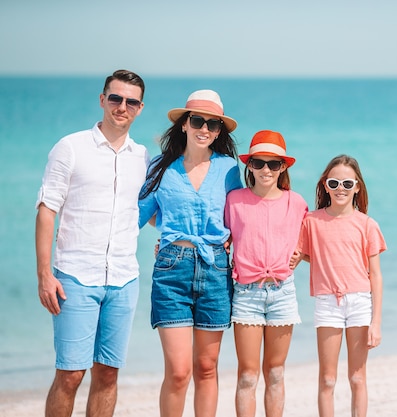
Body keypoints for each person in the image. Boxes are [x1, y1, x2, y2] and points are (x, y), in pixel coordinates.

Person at [35, 69, 149, 417]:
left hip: (124, 279)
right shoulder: (70, 147)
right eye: (115, 98)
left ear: (140, 108)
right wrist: (44, 274)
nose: (122, 107)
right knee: (70, 374)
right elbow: (46, 210)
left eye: (131, 101)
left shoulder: (142, 156)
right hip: (74, 277)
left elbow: (149, 210)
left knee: (108, 374)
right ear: (102, 100)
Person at [138, 89, 242, 417]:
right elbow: (137, 215)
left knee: (207, 368)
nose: (205, 129)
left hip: (215, 270)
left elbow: (242, 216)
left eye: (213, 125)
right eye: (198, 120)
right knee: (180, 371)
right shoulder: (161, 168)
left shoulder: (228, 169)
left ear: (219, 132)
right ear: (184, 124)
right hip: (172, 272)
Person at [225, 130, 308, 417]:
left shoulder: (295, 202)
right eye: (259, 163)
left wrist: (302, 255)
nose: (266, 170)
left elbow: (313, 238)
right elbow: (217, 235)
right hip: (246, 294)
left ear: (283, 167)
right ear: (249, 165)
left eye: (273, 164)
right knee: (247, 375)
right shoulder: (234, 200)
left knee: (275, 372)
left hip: (283, 293)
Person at [297, 154, 386, 417]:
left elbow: (376, 276)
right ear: (325, 185)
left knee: (357, 378)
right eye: (334, 183)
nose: (340, 189)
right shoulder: (311, 222)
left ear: (357, 187)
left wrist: (376, 322)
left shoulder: (367, 225)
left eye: (348, 184)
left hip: (359, 302)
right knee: (327, 379)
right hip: (327, 303)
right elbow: (302, 254)